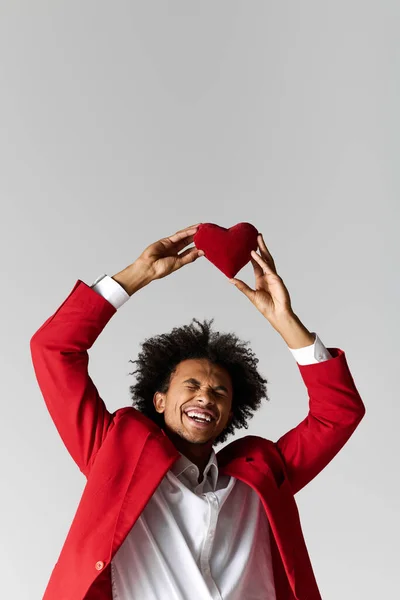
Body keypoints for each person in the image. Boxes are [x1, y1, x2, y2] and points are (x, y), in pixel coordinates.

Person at [30, 223, 365, 600]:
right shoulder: (114, 453)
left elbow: (338, 413)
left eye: (219, 391)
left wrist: (286, 321)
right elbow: (54, 350)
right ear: (159, 400)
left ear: (229, 412)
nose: (206, 397)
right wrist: (136, 275)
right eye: (191, 386)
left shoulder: (262, 474)